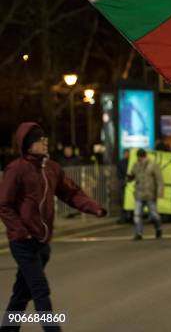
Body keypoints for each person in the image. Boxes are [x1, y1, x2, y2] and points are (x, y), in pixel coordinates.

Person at [0, 123, 106, 331]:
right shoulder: (17, 169)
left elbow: (71, 193)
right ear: (28, 145)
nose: (45, 142)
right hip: (22, 242)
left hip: (42, 242)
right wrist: (21, 231)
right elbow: (4, 205)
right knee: (40, 289)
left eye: (45, 139)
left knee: (22, 293)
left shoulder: (51, 168)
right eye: (40, 140)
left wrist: (94, 208)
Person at [127, 149, 163, 240]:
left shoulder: (153, 165)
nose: (140, 159)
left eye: (141, 157)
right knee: (137, 214)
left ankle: (158, 228)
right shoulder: (136, 165)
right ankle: (139, 233)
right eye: (139, 157)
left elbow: (159, 180)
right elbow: (132, 176)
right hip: (139, 193)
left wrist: (159, 192)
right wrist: (129, 177)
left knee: (154, 215)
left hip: (150, 194)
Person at [116, 149, 132, 223]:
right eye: (126, 153)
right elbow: (118, 173)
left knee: (130, 200)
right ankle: (123, 217)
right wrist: (122, 179)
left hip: (130, 183)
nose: (127, 155)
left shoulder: (131, 161)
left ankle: (130, 216)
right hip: (123, 183)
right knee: (122, 201)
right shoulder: (121, 162)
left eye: (128, 153)